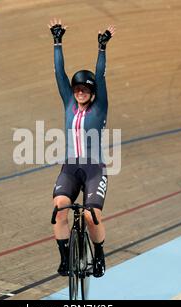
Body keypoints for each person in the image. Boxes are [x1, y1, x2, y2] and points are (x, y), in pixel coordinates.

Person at [48, 18, 116, 278]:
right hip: (70, 168)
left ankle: (99, 255)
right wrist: (57, 42)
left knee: (91, 217)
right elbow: (59, 73)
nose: (79, 92)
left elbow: (100, 76)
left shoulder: (100, 107)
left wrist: (102, 48)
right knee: (59, 209)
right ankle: (66, 259)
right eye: (76, 89)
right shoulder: (68, 103)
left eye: (84, 90)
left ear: (92, 92)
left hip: (94, 170)